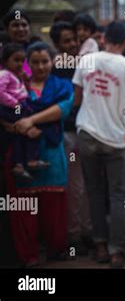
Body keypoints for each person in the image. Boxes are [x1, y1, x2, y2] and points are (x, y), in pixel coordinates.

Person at [73, 21, 125, 268]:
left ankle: (100, 245)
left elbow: (77, 98)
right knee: (117, 195)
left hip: (87, 132)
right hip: (117, 138)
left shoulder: (87, 61)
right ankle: (117, 250)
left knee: (94, 192)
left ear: (103, 38)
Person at [7, 41, 74, 267]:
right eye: (34, 62)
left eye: (45, 61)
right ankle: (29, 254)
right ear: (27, 63)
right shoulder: (16, 85)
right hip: (22, 154)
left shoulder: (62, 85)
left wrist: (31, 120)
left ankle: (57, 249)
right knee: (25, 206)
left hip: (52, 151)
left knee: (53, 204)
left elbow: (63, 109)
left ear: (52, 61)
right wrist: (18, 125)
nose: (40, 66)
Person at [49, 21, 92, 254]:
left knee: (86, 186)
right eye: (67, 41)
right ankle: (75, 235)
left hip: (86, 132)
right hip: (67, 134)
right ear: (56, 45)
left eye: (75, 39)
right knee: (75, 186)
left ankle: (86, 232)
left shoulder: (85, 64)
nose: (74, 44)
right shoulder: (54, 69)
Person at [0, 44, 47, 181]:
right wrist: (16, 103)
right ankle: (30, 159)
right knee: (29, 128)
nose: (20, 63)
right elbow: (0, 92)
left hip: (17, 105)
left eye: (22, 60)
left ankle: (20, 164)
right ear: (5, 61)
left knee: (19, 136)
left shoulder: (17, 75)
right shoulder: (4, 74)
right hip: (11, 108)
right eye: (16, 60)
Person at [1, 9, 34, 76]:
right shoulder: (2, 52)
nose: (21, 29)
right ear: (7, 29)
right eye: (15, 25)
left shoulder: (36, 50)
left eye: (24, 25)